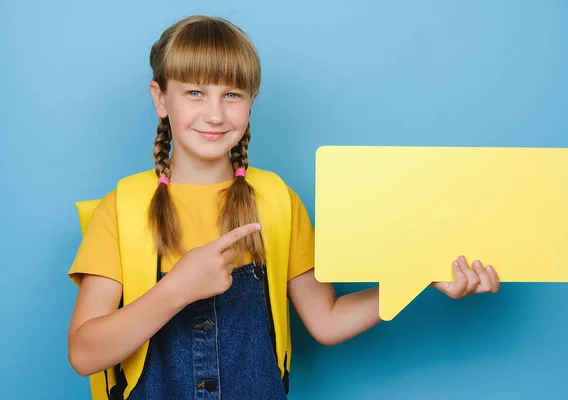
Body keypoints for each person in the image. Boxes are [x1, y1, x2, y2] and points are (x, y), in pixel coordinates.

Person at [67, 15, 500, 400]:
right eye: (195, 92)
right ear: (160, 99)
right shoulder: (123, 207)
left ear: (251, 101)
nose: (215, 114)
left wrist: (419, 275)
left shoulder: (276, 199)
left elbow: (326, 322)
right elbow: (85, 354)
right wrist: (176, 290)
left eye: (232, 94)